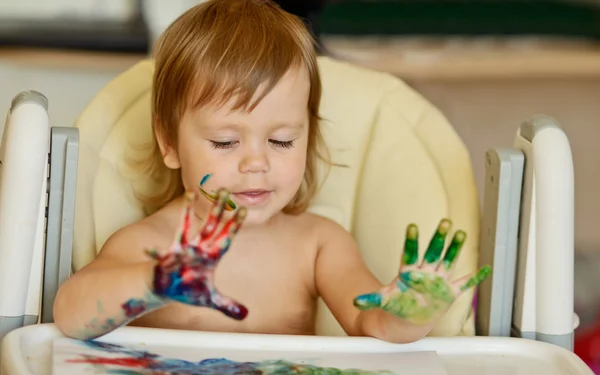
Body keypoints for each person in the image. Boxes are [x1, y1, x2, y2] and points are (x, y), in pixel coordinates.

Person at [53, 0, 490, 343]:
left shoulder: (318, 245)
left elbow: (369, 322)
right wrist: (155, 282)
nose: (256, 162)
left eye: (281, 140)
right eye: (226, 142)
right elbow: (71, 315)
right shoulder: (150, 245)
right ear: (170, 144)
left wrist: (409, 313)